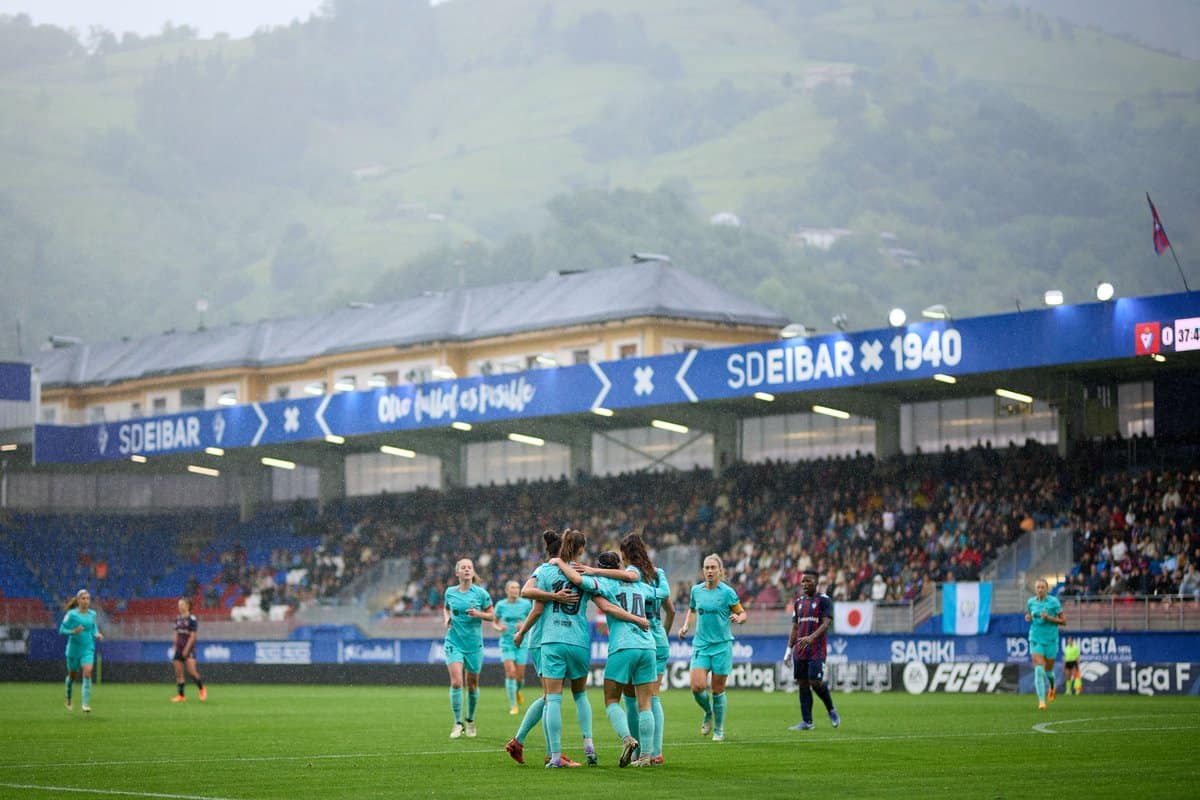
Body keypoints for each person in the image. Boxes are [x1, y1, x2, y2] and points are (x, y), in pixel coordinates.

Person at [536, 529, 648, 769]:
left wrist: (553, 593)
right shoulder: (590, 574)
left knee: (553, 699)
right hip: (578, 641)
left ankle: (555, 757)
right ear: (581, 549)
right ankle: (589, 746)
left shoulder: (547, 571)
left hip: (553, 639)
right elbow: (604, 602)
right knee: (581, 694)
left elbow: (530, 596)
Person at [578, 532, 674, 765]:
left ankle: (628, 738)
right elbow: (662, 594)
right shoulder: (640, 584)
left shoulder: (605, 583)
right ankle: (646, 756)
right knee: (646, 703)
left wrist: (571, 566)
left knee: (611, 699)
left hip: (623, 645)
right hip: (648, 645)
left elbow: (581, 581)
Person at [506, 530, 582, 767]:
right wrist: (521, 633)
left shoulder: (557, 571)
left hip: (546, 639)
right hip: (543, 639)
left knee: (550, 697)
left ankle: (526, 744)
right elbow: (531, 598)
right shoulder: (545, 571)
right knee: (552, 697)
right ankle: (549, 753)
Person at [677, 554, 747, 742]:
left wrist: (739, 618)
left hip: (722, 647)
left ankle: (719, 729)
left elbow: (742, 613)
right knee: (697, 686)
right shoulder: (696, 591)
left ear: (720, 571)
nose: (709, 571)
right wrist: (685, 626)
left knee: (717, 690)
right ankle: (708, 712)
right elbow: (692, 610)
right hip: (701, 645)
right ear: (703, 570)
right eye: (706, 567)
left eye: (712, 568)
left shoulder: (727, 592)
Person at [444, 558, 494, 738]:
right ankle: (457, 723)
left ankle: (470, 720)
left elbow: (492, 616)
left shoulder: (481, 594)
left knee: (472, 685)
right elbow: (446, 608)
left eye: (469, 567)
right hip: (453, 642)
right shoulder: (450, 592)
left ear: (473, 572)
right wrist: (446, 618)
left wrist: (478, 614)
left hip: (473, 645)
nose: (466, 570)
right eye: (463, 567)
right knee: (457, 682)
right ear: (457, 573)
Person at [784, 570, 839, 730]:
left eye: (808, 581)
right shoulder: (799, 602)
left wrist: (811, 638)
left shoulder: (824, 601)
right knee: (802, 683)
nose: (804, 584)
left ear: (816, 583)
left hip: (817, 649)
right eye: (802, 582)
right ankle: (807, 722)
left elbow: (826, 623)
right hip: (800, 650)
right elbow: (795, 628)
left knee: (815, 682)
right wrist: (788, 652)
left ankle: (831, 709)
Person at [492, 580, 533, 714]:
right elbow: (495, 622)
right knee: (511, 673)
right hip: (506, 643)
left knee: (520, 677)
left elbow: (533, 620)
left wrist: (524, 627)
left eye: (517, 588)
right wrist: (499, 628)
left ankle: (517, 691)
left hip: (521, 643)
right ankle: (513, 705)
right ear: (507, 591)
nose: (515, 590)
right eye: (512, 588)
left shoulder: (526, 604)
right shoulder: (501, 605)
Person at [59, 588, 103, 712]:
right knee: (72, 676)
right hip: (73, 649)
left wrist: (97, 634)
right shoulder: (71, 614)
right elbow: (61, 630)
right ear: (78, 600)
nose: (86, 601)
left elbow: (93, 626)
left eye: (88, 598)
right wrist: (72, 631)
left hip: (88, 648)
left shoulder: (92, 614)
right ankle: (68, 697)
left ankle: (85, 704)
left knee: (87, 672)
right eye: (83, 598)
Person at [1025, 578, 1066, 709]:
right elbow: (1029, 614)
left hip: (1051, 640)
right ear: (1035, 589)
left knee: (1048, 671)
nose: (1040, 589)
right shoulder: (1031, 602)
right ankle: (1041, 701)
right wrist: (1028, 617)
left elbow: (1063, 621)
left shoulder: (1054, 602)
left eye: (1042, 587)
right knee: (1038, 668)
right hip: (1035, 638)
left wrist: (1049, 618)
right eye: (1038, 587)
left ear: (1047, 589)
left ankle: (1052, 686)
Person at [171, 597, 207, 702]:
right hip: (179, 648)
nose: (179, 606)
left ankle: (202, 689)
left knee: (192, 672)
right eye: (179, 604)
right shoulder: (177, 619)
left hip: (189, 649)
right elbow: (176, 633)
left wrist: (187, 649)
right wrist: (175, 645)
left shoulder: (192, 619)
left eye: (181, 604)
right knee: (179, 673)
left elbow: (193, 636)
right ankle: (181, 695)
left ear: (187, 606)